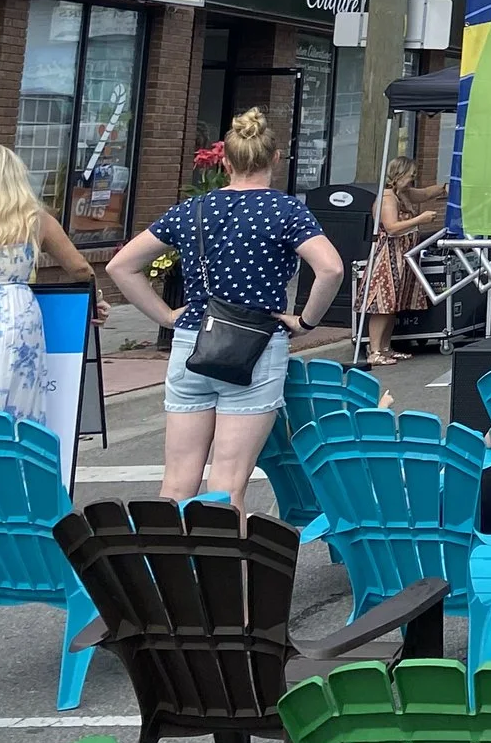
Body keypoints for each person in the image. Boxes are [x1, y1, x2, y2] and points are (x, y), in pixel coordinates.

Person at [109, 107, 344, 512]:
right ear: (274, 159)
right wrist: (306, 321)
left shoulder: (191, 210)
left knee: (178, 480)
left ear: (225, 160)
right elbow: (331, 268)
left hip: (191, 343)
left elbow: (120, 266)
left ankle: (174, 569)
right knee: (228, 485)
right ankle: (221, 572)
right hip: (254, 346)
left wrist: (166, 316)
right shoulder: (285, 211)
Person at [0, 144, 108, 422]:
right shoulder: (36, 220)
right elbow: (79, 268)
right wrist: (95, 300)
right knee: (14, 399)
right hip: (14, 315)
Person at [360, 157, 445, 365]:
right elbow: (391, 227)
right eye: (410, 176)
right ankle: (375, 350)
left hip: (403, 257)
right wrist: (420, 219)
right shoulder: (387, 198)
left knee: (394, 304)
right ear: (398, 175)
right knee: (382, 305)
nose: (412, 180)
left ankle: (386, 348)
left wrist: (445, 187)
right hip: (388, 256)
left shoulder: (403, 194)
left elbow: (425, 193)